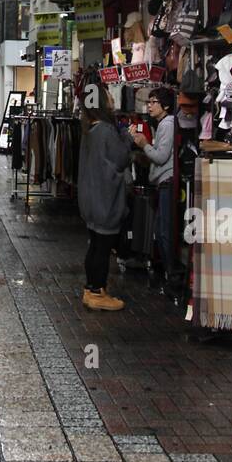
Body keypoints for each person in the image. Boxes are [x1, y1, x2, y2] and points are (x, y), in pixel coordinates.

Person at [78, 91, 133, 311]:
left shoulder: (89, 130)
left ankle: (91, 288)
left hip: (90, 200)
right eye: (109, 98)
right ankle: (97, 292)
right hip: (105, 200)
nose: (112, 101)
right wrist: (128, 138)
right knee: (102, 247)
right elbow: (121, 158)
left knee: (94, 246)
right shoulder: (107, 131)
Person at [129, 86, 177, 285]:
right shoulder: (163, 124)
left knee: (164, 231)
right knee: (160, 229)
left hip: (167, 182)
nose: (149, 106)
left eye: (153, 102)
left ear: (165, 105)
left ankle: (170, 275)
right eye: (148, 102)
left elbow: (161, 156)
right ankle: (168, 273)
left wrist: (143, 144)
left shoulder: (168, 123)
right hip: (162, 182)